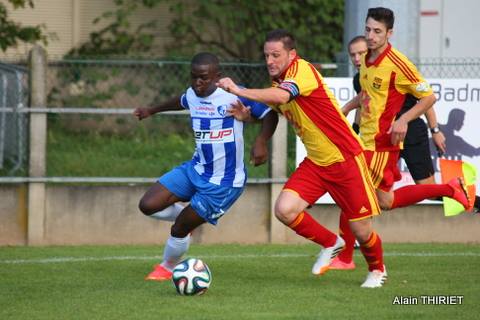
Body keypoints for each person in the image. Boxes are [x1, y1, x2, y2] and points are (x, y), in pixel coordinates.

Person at [217, 29, 387, 288]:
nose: (270, 61)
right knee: (284, 210)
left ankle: (377, 271)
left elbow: (283, 97)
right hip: (316, 163)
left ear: (291, 55)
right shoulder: (277, 83)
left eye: (276, 55)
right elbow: (273, 110)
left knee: (362, 231)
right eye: (266, 56)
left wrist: (238, 89)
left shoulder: (301, 71)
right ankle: (331, 243)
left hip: (345, 159)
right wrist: (247, 117)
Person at [339, 7, 472, 269]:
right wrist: (346, 109)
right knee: (385, 201)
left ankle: (343, 256)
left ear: (390, 33)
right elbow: (367, 95)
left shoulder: (399, 64)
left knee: (350, 189)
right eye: (368, 29)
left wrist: (404, 119)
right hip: (366, 141)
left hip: (381, 145)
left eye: (377, 31)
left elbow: (429, 97)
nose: (371, 35)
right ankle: (451, 188)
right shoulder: (365, 60)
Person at [133, 52, 278, 281]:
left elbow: (270, 115)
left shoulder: (232, 94)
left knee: (178, 230)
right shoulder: (192, 94)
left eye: (204, 78)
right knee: (147, 205)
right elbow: (179, 100)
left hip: (224, 183)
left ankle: (168, 266)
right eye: (194, 77)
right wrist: (151, 110)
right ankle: (187, 217)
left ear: (217, 76)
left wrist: (260, 142)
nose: (198, 83)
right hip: (196, 169)